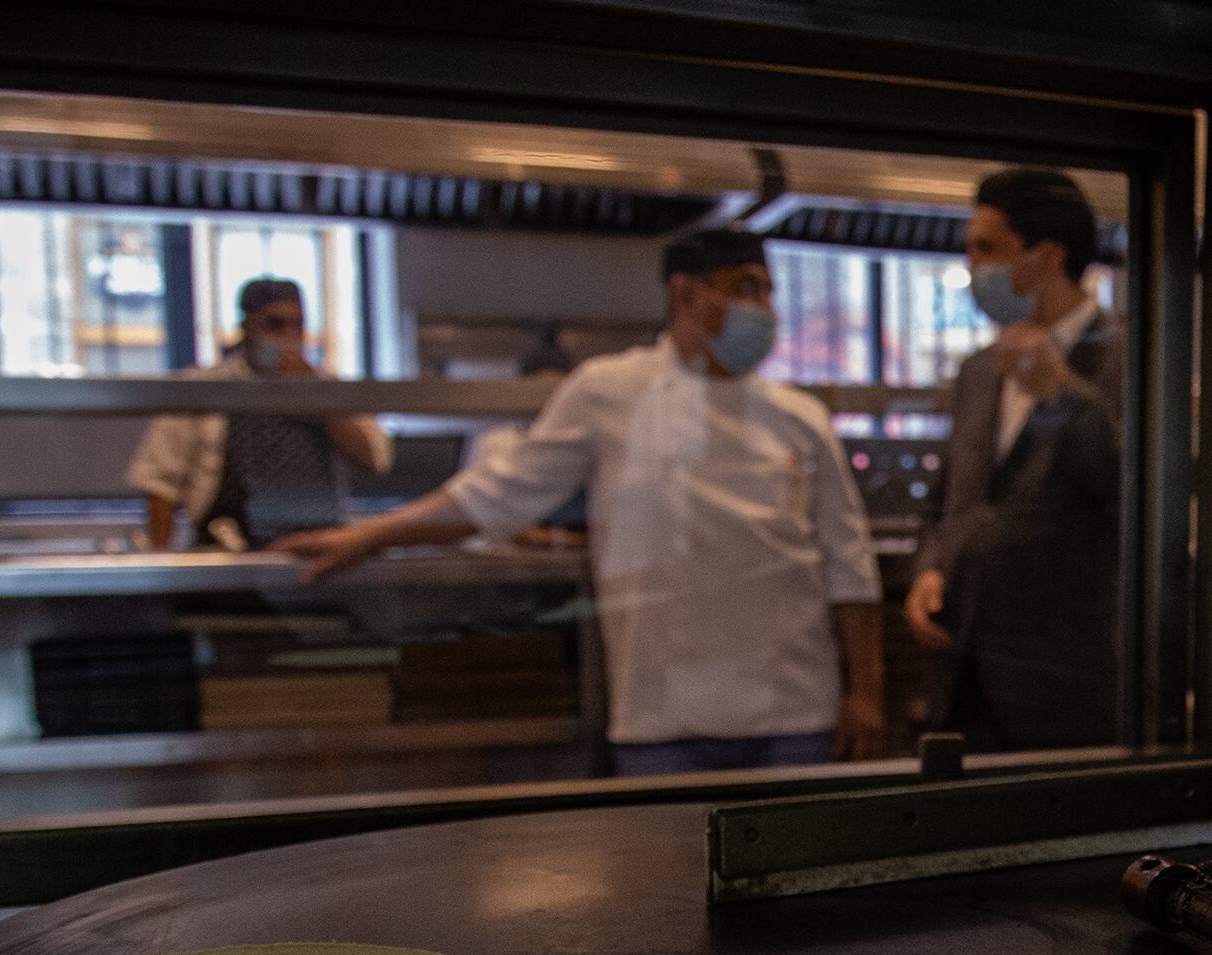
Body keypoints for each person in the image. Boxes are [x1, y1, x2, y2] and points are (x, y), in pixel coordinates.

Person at [277, 229, 885, 772]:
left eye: (767, 292)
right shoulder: (608, 390)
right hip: (662, 719)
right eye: (744, 288)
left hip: (796, 712)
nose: (763, 310)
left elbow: (848, 560)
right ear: (686, 295)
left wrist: (867, 693)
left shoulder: (801, 417)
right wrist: (370, 535)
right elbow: (498, 495)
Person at [902, 167, 1123, 750]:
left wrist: (1065, 397)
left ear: (1046, 256)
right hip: (963, 669)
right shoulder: (979, 370)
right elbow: (949, 498)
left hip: (1066, 682)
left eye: (986, 248)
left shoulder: (1132, 358)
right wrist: (930, 567)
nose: (973, 266)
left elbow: (1135, 496)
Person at [129, 277, 389, 549]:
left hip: (315, 546)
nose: (287, 337)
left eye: (296, 325)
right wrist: (161, 564)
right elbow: (160, 483)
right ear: (246, 327)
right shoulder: (206, 388)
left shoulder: (329, 389)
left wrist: (314, 394)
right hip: (227, 551)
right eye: (274, 325)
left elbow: (375, 460)